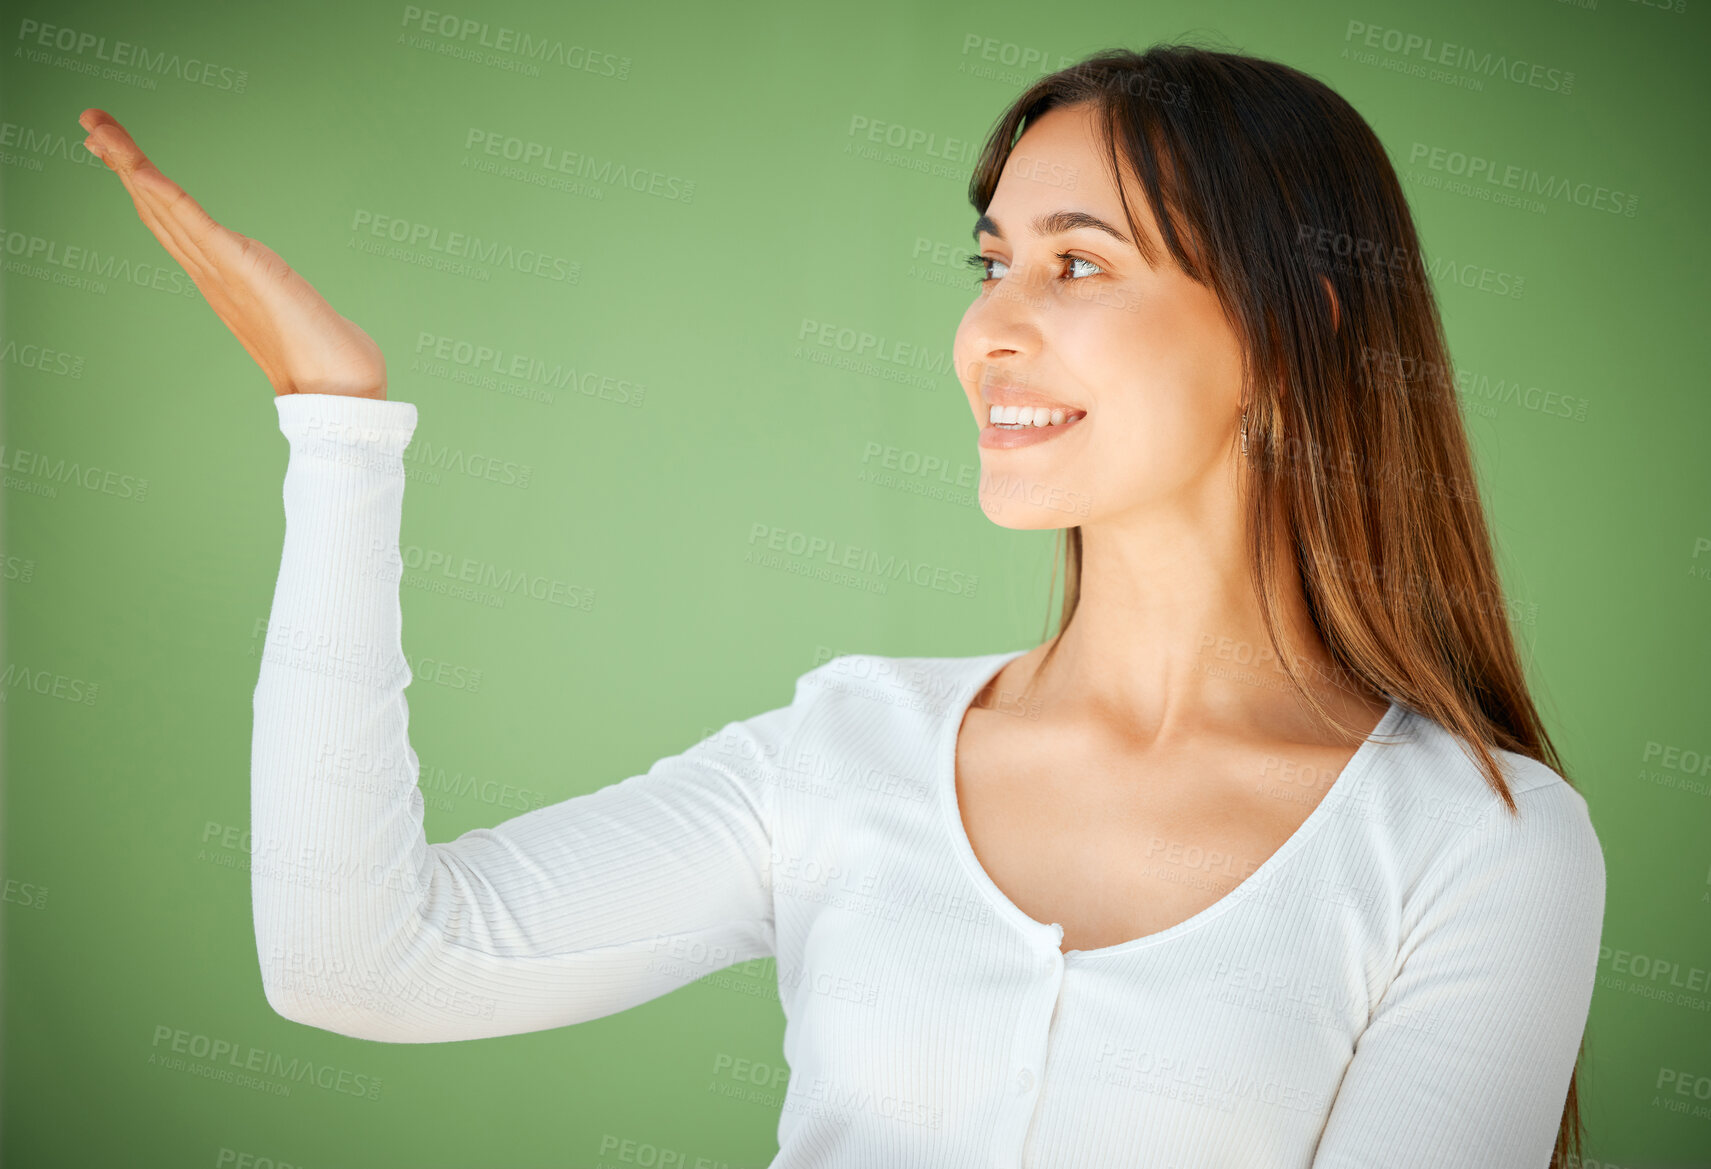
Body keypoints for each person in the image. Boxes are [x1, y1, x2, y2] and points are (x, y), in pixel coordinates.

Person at [82, 42, 1606, 1169]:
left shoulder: (1482, 841)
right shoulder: (847, 745)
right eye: (993, 259)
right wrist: (339, 429)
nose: (993, 328)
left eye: (1080, 264)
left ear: (1298, 326)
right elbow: (365, 957)